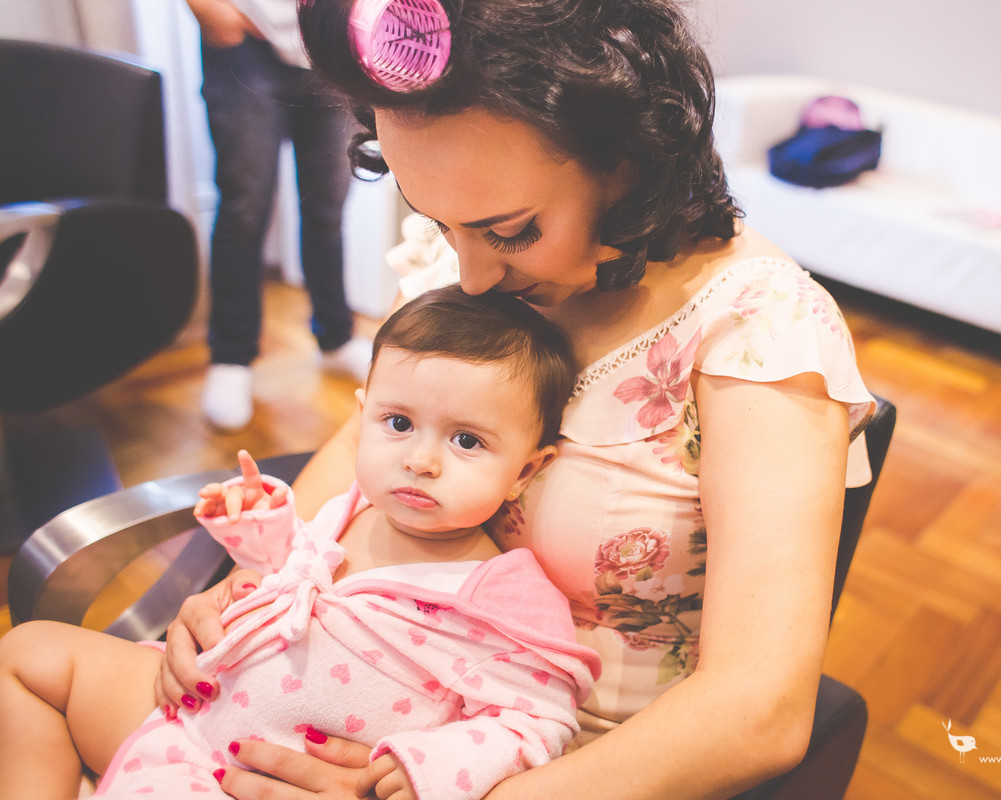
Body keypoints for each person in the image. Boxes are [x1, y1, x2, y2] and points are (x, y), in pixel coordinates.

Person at [150, 0, 878, 797]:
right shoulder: (463, 257)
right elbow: (364, 452)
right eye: (438, 222)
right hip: (333, 688)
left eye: (509, 232)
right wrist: (245, 596)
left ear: (626, 160)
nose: (468, 278)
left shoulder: (757, 332)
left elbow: (758, 710)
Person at [0, 286, 600, 800]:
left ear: (526, 470)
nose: (421, 461)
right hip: (194, 710)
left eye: (466, 441)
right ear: (363, 415)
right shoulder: (350, 507)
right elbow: (284, 573)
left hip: (272, 779)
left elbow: (538, 721)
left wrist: (430, 766)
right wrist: (249, 545)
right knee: (28, 656)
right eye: (398, 424)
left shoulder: (506, 595)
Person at [185, 0, 374, 432]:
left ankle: (336, 338)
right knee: (244, 209)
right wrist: (213, 12)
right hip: (245, 45)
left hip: (332, 47)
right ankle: (231, 357)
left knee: (327, 209)